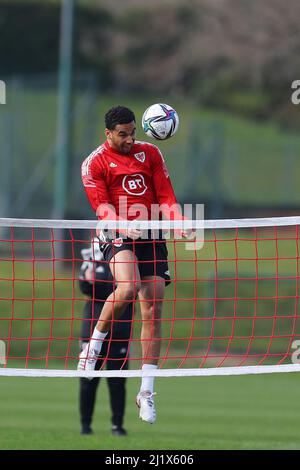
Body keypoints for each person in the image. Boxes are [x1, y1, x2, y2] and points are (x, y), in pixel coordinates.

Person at [78, 105, 188, 424]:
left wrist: (178, 220)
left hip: (151, 234)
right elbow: (101, 207)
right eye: (122, 135)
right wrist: (124, 226)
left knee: (152, 307)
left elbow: (166, 196)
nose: (129, 140)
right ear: (108, 134)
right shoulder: (94, 163)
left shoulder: (150, 153)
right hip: (118, 233)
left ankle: (146, 393)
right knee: (127, 289)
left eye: (132, 133)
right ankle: (93, 347)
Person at [78, 238, 132, 436]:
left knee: (118, 380)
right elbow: (85, 287)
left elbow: (128, 291)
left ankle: (117, 426)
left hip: (120, 329)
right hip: (92, 327)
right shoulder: (92, 262)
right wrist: (88, 277)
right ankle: (85, 426)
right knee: (88, 378)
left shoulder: (128, 262)